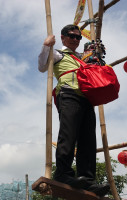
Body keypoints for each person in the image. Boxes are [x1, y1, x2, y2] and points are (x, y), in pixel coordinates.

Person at [38, 24, 110, 197]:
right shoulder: (58, 54)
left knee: (88, 140)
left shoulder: (82, 57)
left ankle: (88, 180)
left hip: (86, 98)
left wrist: (97, 54)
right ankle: (63, 174)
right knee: (68, 135)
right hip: (69, 95)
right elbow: (41, 66)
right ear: (63, 37)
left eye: (79, 37)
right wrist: (46, 44)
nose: (76, 40)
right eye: (72, 36)